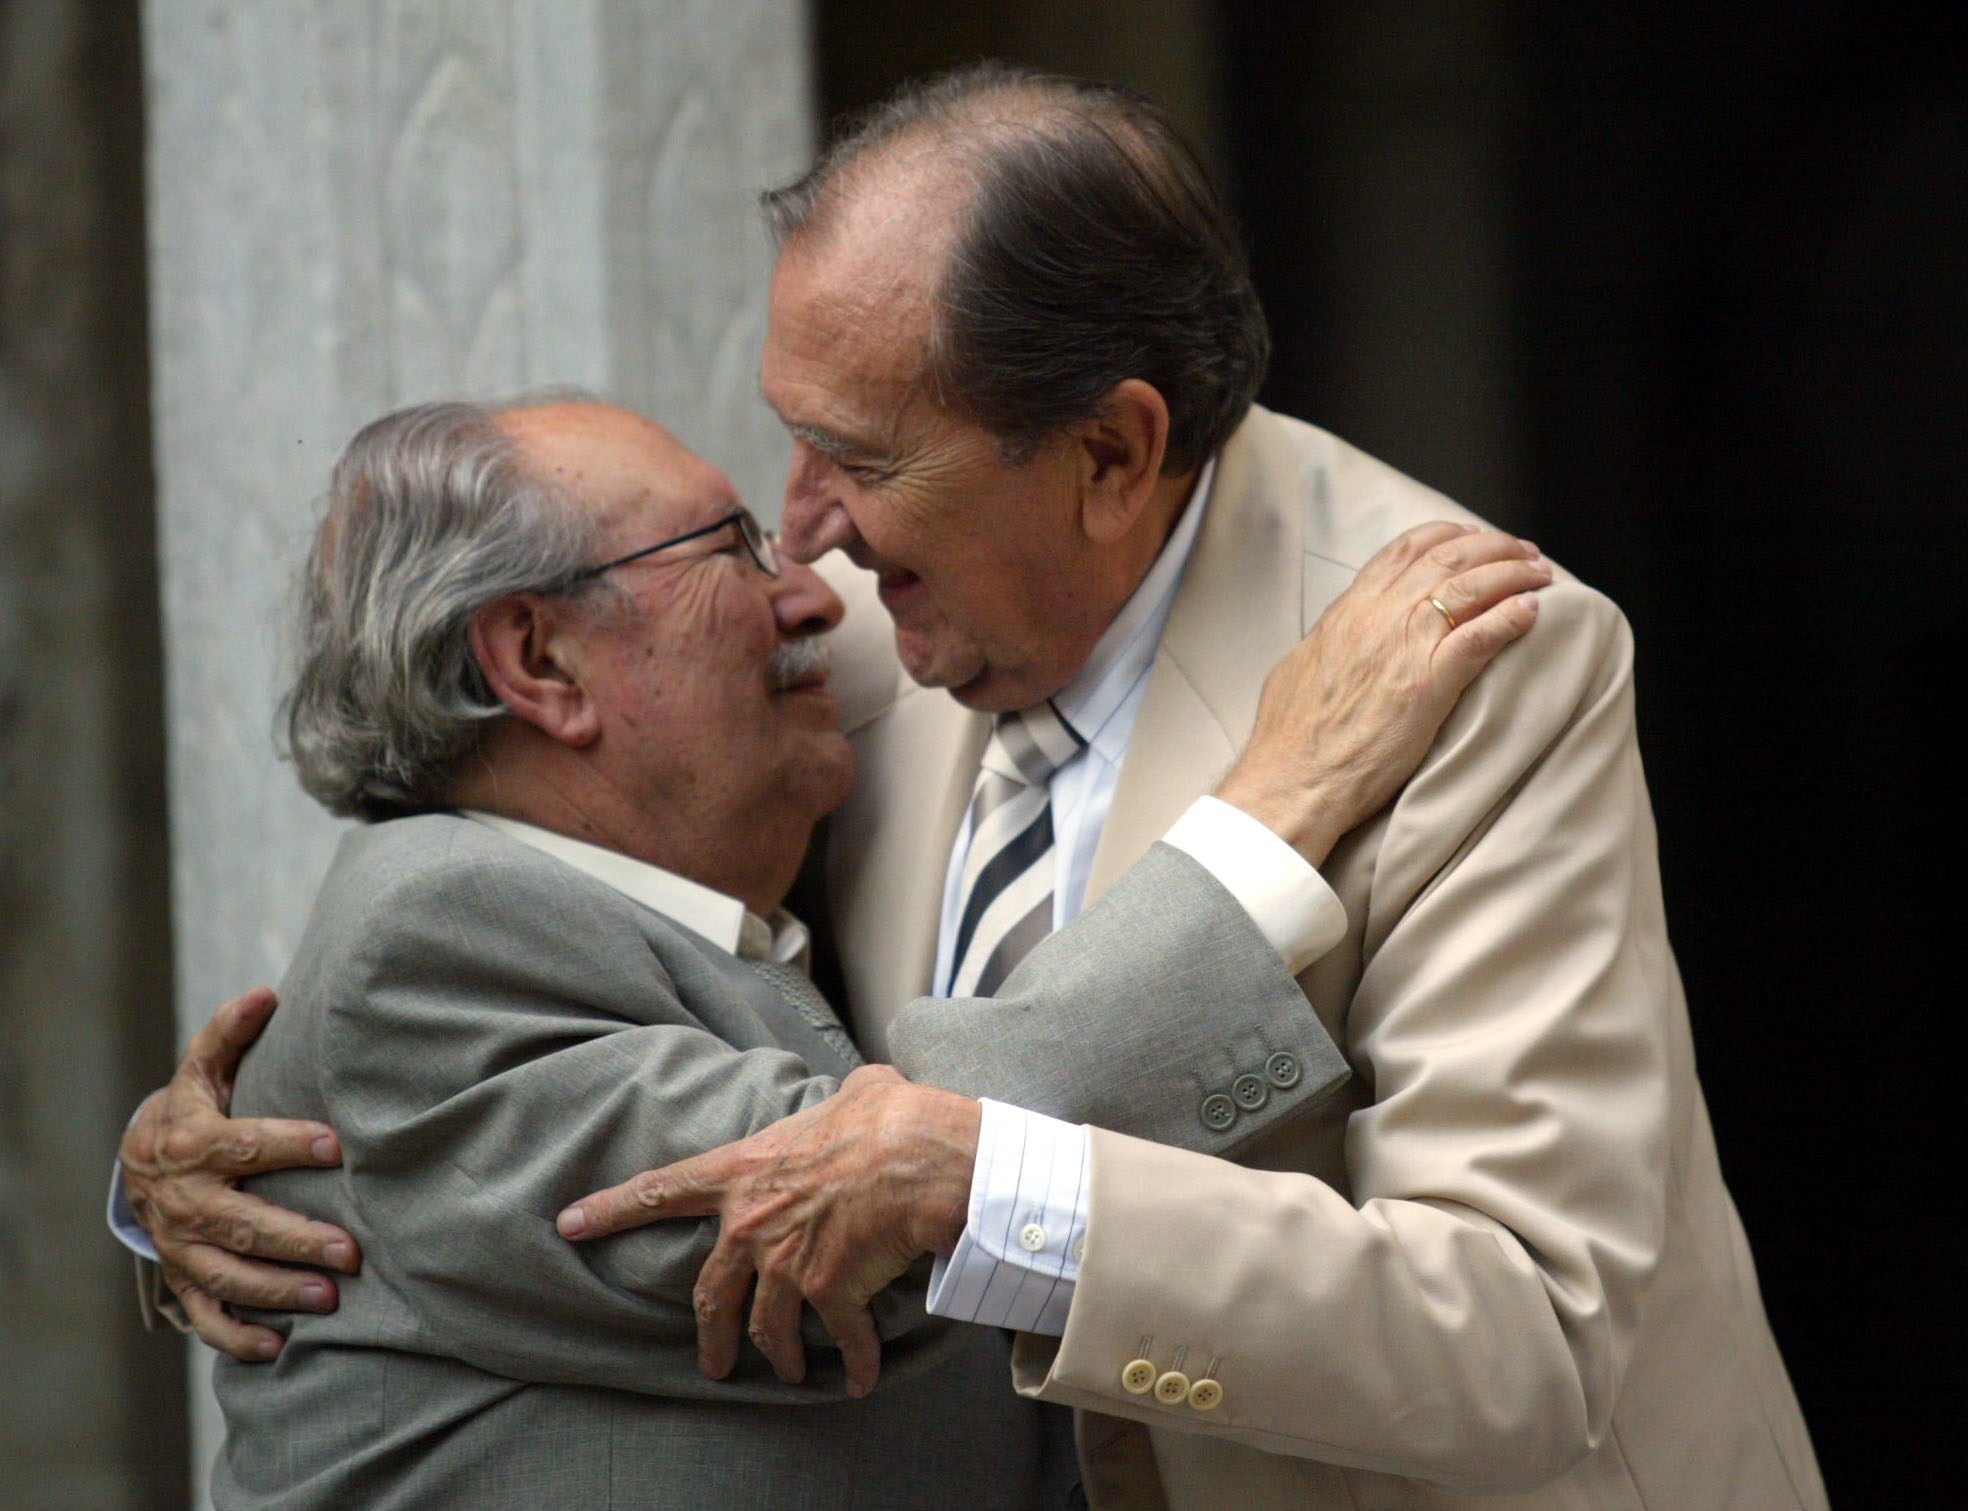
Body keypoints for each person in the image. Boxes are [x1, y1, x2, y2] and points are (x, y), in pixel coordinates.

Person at [123, 63, 1824, 1509]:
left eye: (857, 459)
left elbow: (1525, 1331)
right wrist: (217, 1170)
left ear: (1110, 451)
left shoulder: (1465, 660)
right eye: (791, 440)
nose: (803, 541)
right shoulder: (852, 636)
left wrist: (996, 1190)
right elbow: (536, 961)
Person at [139, 392, 1540, 1509]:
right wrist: (1289, 791)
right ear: (541, 666)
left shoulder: (694, 885)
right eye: (730, 551)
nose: (812, 594)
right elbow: (896, 1198)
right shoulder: (431, 938)